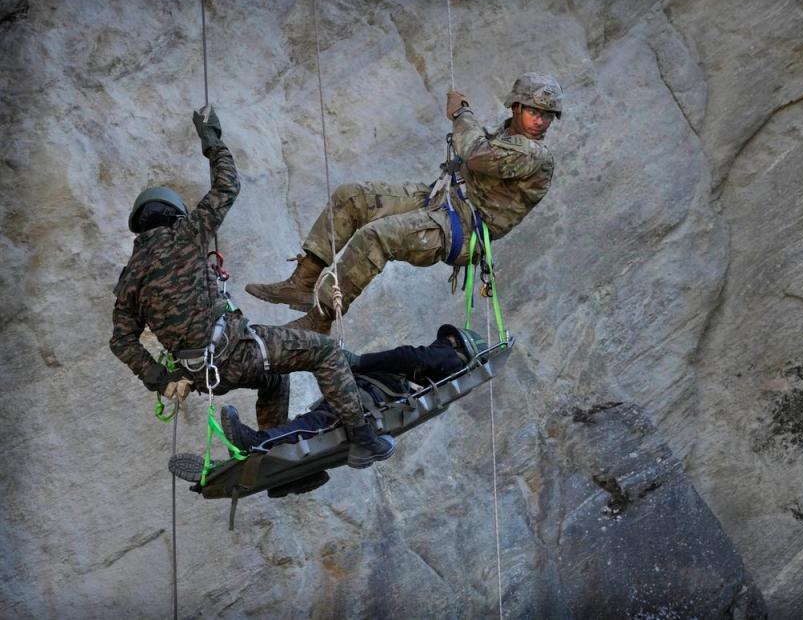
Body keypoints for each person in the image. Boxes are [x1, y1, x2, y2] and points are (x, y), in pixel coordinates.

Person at [109, 106, 394, 469]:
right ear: (174, 213)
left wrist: (162, 380)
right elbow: (228, 184)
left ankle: (276, 457)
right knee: (324, 352)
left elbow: (120, 340)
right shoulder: (185, 233)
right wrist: (212, 141)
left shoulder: (129, 278)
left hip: (201, 375)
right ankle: (364, 439)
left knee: (274, 376)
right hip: (236, 352)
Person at [244, 72, 563, 333]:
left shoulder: (534, 155)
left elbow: (477, 155)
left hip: (462, 231)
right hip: (445, 202)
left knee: (376, 237)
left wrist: (462, 114)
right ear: (516, 108)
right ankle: (303, 281)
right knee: (353, 197)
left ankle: (319, 320)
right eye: (535, 112)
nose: (541, 122)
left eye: (547, 116)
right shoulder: (509, 136)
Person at [219, 325, 485, 454]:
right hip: (367, 398)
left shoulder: (449, 358)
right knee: (314, 423)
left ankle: (257, 442)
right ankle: (282, 469)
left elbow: (412, 356)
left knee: (318, 422)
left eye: (448, 341)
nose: (442, 343)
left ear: (459, 348)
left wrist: (360, 361)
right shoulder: (427, 386)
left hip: (365, 399)